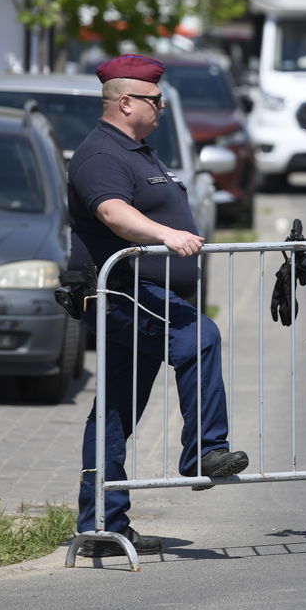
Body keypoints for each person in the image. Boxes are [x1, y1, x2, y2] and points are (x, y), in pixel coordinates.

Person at [69, 53, 248, 558]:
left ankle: (103, 524)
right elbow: (112, 211)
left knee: (115, 412)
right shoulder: (102, 154)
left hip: (145, 293)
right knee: (199, 336)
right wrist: (166, 234)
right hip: (123, 291)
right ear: (125, 102)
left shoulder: (137, 151)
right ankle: (204, 452)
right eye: (154, 99)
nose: (162, 107)